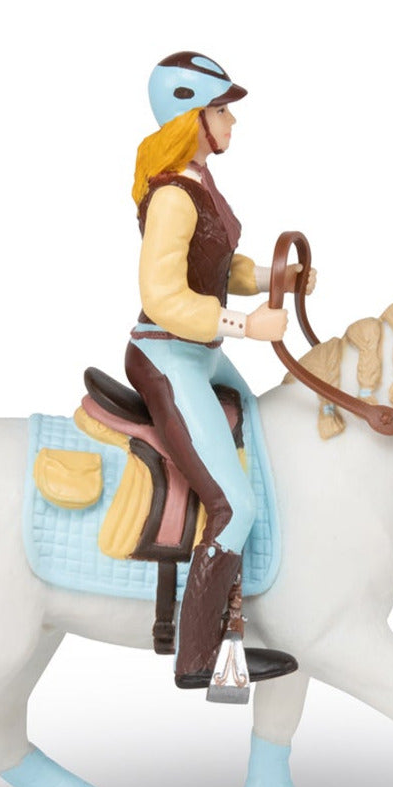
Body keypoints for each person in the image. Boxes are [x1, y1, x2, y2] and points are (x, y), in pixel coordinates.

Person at [125, 51, 314, 691]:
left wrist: (276, 279)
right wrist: (244, 325)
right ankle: (201, 659)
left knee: (265, 431)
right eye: (222, 111)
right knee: (232, 505)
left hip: (201, 353)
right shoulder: (173, 197)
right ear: (195, 118)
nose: (232, 122)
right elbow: (163, 297)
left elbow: (218, 267)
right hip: (169, 356)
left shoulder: (199, 184)